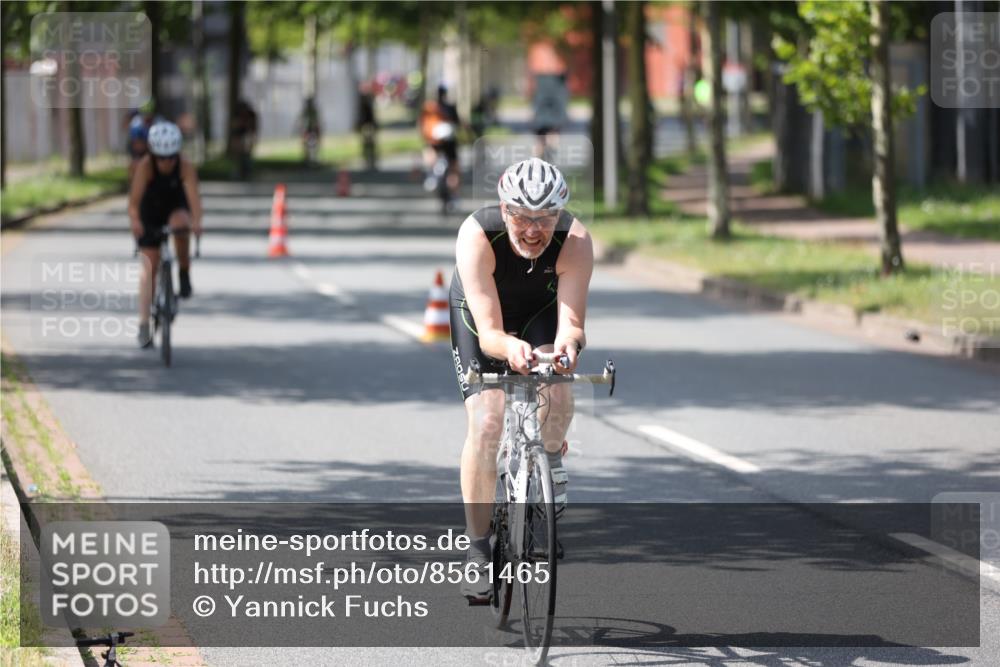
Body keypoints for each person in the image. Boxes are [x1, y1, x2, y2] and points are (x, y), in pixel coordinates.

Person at [449, 158, 593, 602]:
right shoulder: (477, 235)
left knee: (559, 391)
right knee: (488, 422)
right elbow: (491, 333)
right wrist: (510, 349)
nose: (533, 230)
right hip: (482, 321)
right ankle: (476, 548)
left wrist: (567, 348)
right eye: (523, 217)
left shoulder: (576, 240)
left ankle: (548, 463)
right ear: (504, 209)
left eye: (545, 218)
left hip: (538, 315)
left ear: (560, 214)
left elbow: (571, 324)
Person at [128, 122, 203, 348]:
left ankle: (183, 271)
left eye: (171, 157)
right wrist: (136, 222)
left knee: (182, 224)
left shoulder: (185, 167)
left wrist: (197, 222)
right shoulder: (145, 167)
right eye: (161, 158)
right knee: (148, 266)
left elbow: (194, 201)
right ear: (153, 154)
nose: (166, 162)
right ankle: (143, 323)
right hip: (150, 210)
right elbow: (133, 203)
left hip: (174, 206)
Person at [419, 85, 461, 195]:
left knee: (429, 153)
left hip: (433, 141)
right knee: (454, 168)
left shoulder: (429, 107)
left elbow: (422, 124)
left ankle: (431, 175)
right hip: (450, 141)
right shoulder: (450, 107)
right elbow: (457, 124)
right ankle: (454, 195)